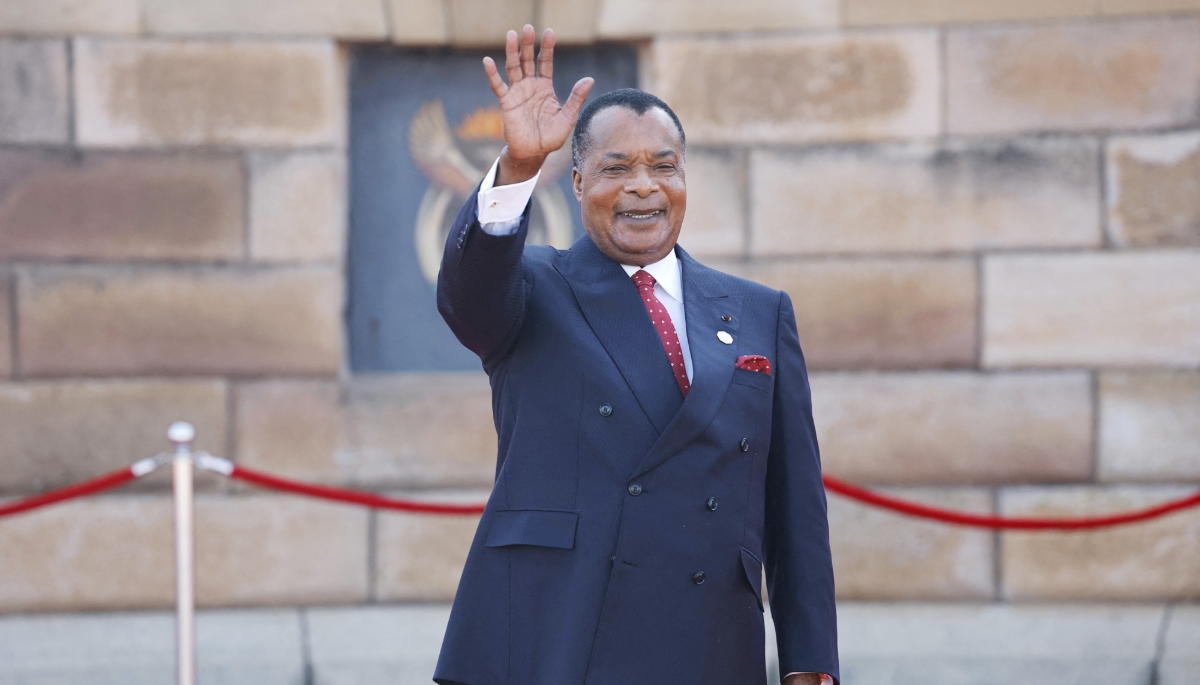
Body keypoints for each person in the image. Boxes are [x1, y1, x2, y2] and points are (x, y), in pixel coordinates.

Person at [434, 25, 838, 685]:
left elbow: (795, 510)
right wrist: (515, 169)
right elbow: (466, 295)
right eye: (617, 168)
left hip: (711, 645)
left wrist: (809, 662)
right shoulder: (534, 287)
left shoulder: (761, 312)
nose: (643, 187)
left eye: (663, 165)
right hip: (557, 637)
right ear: (575, 180)